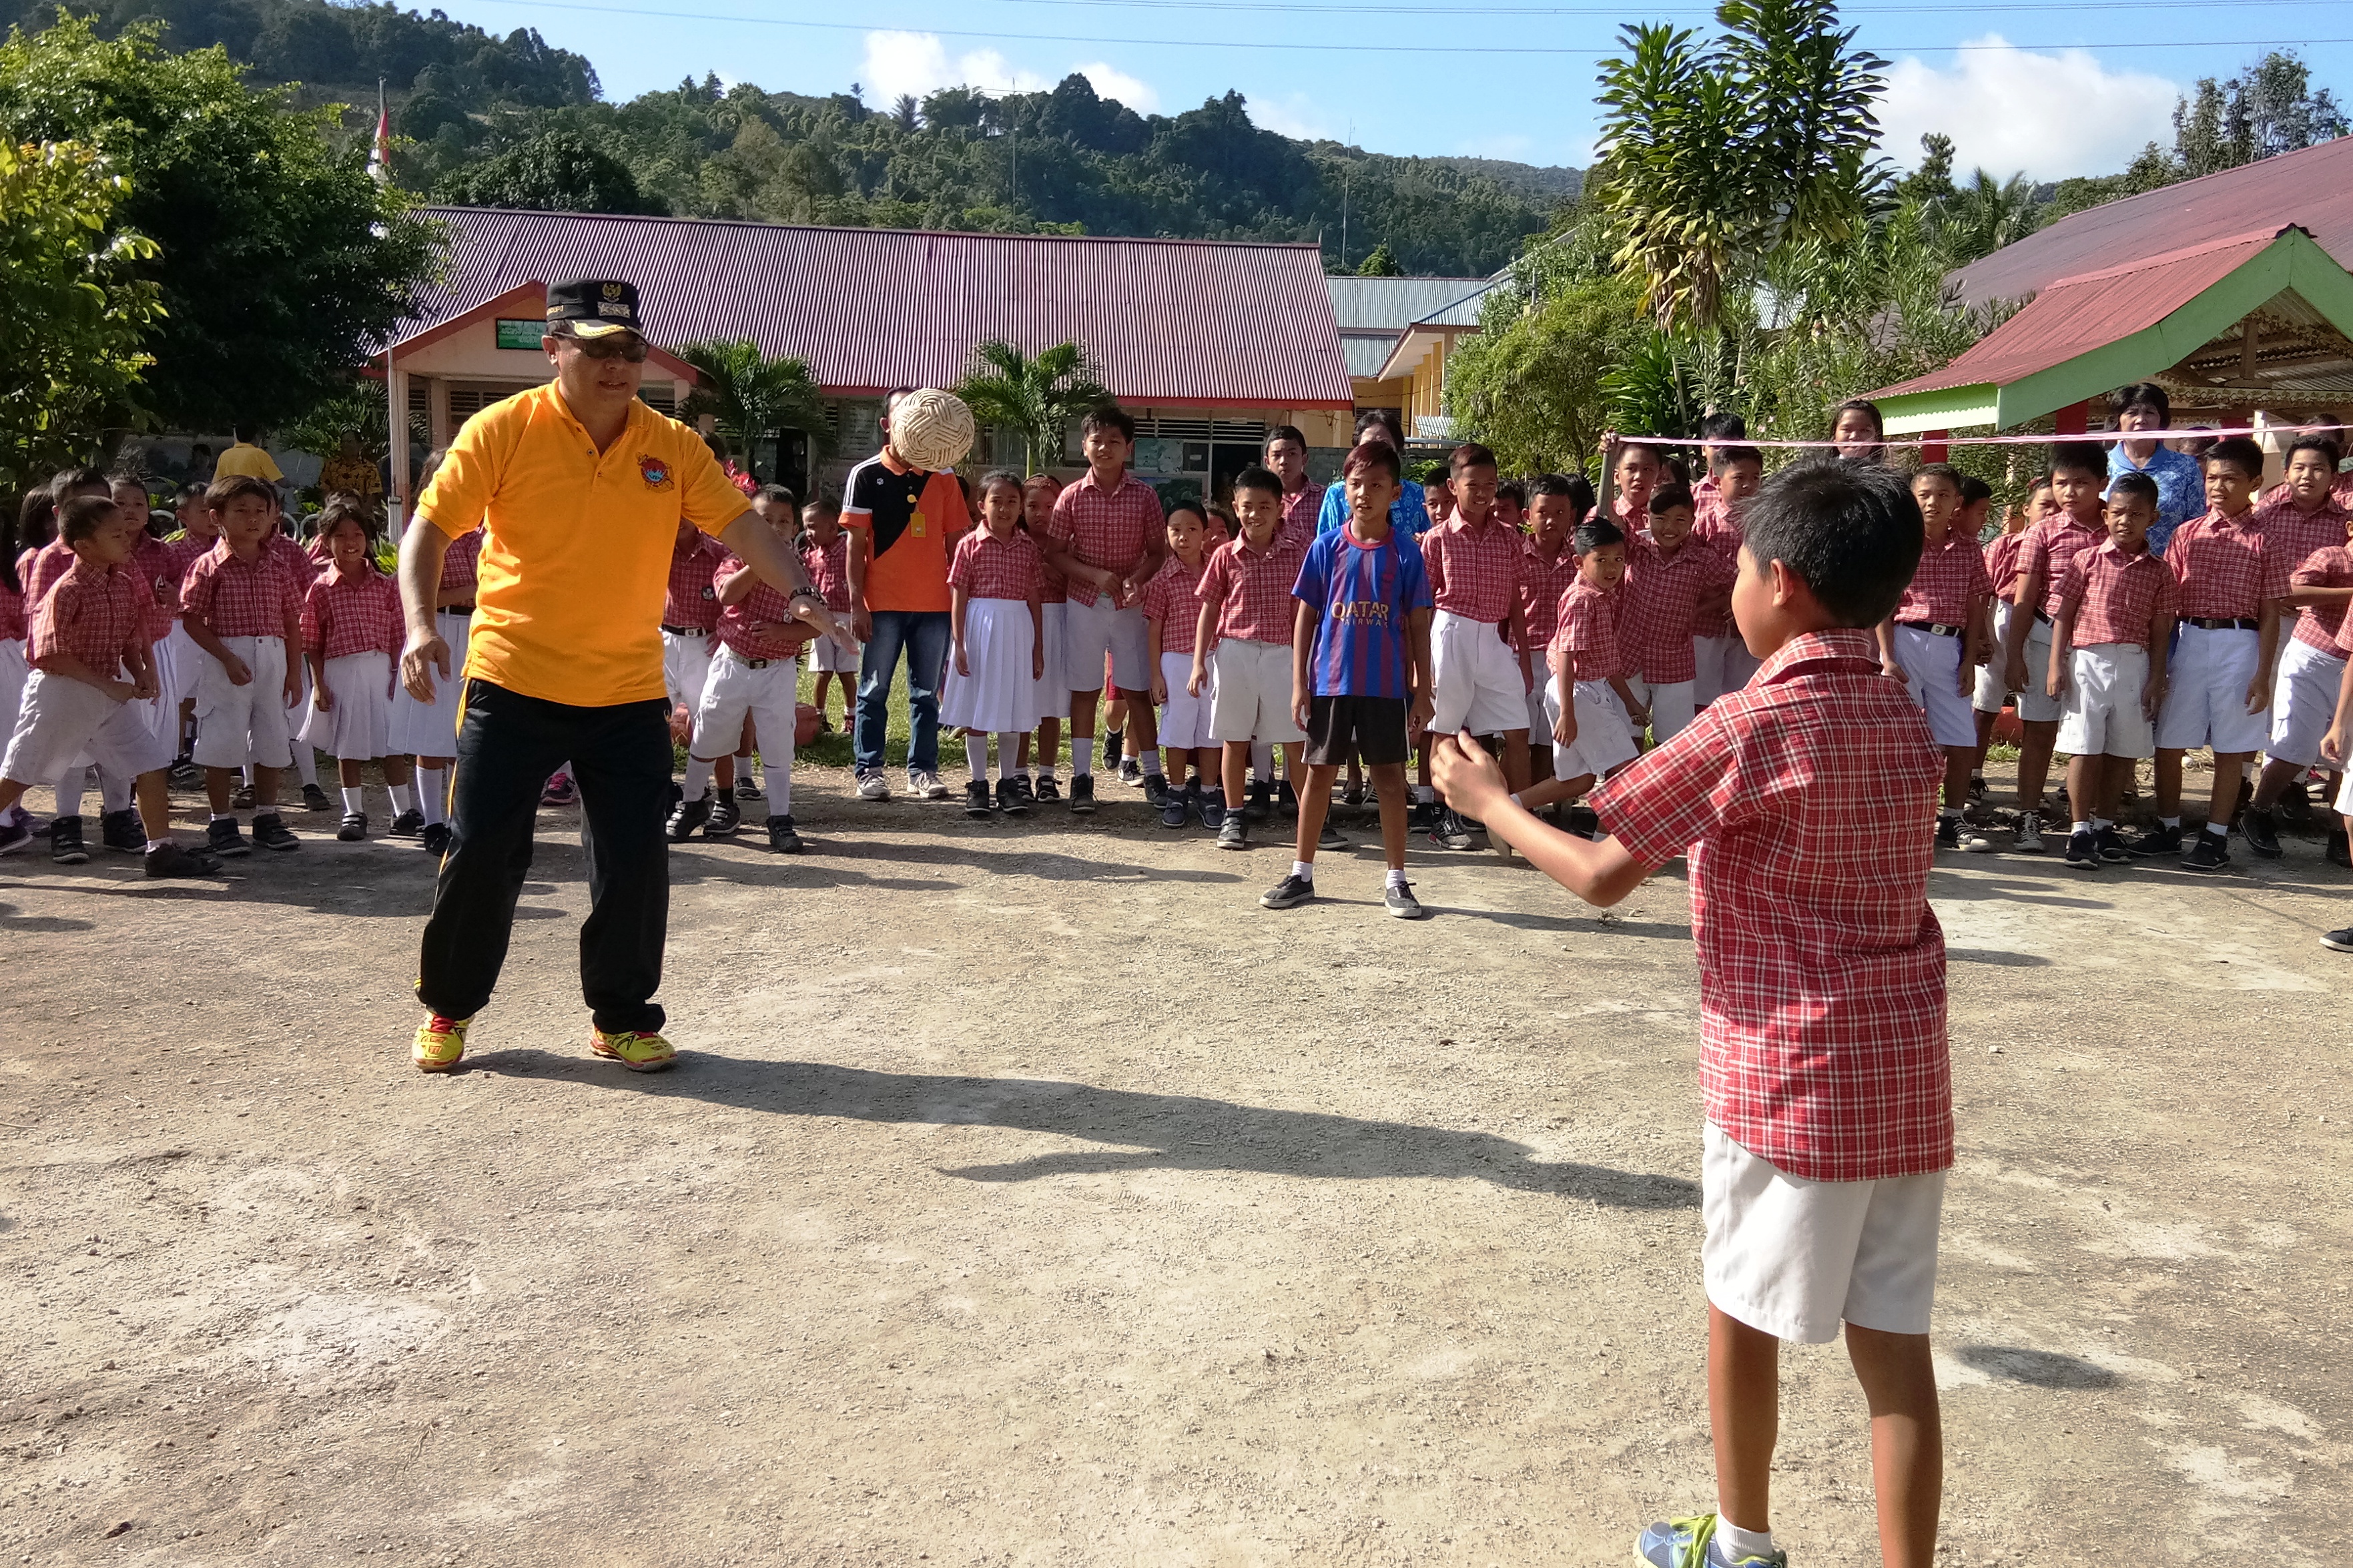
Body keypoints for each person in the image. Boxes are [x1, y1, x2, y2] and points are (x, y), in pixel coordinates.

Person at [1432, 458, 1949, 1568]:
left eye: (1747, 567)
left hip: (1785, 1076)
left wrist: (1488, 804)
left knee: (1740, 1309)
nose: (1735, 589)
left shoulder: (1749, 722)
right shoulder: (1904, 718)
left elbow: (1605, 875)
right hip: (1903, 1080)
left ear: (1787, 585)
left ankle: (1744, 1544)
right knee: (1897, 1354)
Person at [396, 278, 846, 1075]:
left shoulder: (668, 443)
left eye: (630, 351)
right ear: (554, 349)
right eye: (598, 350)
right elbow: (429, 528)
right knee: (484, 851)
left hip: (627, 689)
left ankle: (622, 1016)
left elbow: (739, 524)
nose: (617, 367)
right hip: (513, 677)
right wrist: (423, 626)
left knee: (635, 856)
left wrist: (805, 593)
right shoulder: (503, 430)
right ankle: (449, 1007)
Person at [1260, 440, 1434, 917]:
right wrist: (1299, 683)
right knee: (1318, 777)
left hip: (1385, 687)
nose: (1365, 494)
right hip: (1330, 683)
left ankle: (1397, 879)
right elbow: (1305, 617)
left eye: (1376, 485)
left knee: (1390, 780)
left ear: (1394, 493)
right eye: (1356, 484)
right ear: (1345, 488)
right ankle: (1302, 873)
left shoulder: (1405, 554)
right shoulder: (1326, 545)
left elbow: (1419, 622)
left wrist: (1424, 689)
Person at [0, 494, 216, 875]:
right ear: (84, 545)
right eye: (116, 534)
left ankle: (161, 850)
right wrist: (109, 685)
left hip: (105, 692)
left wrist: (143, 669)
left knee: (150, 763)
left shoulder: (122, 582)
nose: (126, 538)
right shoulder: (67, 591)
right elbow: (49, 656)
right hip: (60, 693)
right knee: (20, 774)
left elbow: (130, 634)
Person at [2143, 436, 2282, 871]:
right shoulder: (2187, 534)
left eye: (2230, 479)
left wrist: (2263, 674)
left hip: (2240, 644)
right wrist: (2160, 665)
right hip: (2190, 640)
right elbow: (2167, 604)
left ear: (2255, 482)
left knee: (2230, 745)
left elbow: (2271, 612)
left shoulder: (2267, 539)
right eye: (2211, 478)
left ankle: (2216, 836)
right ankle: (2167, 827)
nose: (2218, 487)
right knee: (2169, 739)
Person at [844, 388, 971, 804]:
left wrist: (962, 602)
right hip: (882, 605)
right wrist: (857, 605)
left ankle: (923, 771)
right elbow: (854, 547)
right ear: (888, 425)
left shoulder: (946, 476)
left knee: (926, 693)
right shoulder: (865, 475)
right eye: (907, 418)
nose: (920, 429)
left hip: (935, 605)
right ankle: (869, 770)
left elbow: (957, 543)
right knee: (873, 689)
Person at [671, 494, 817, 853]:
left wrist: (784, 632)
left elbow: (815, 621)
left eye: (783, 522)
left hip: (776, 671)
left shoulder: (801, 571)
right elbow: (726, 595)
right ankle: (691, 804)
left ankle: (780, 818)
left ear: (795, 529)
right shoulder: (735, 560)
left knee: (777, 743)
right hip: (731, 664)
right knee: (708, 733)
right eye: (765, 521)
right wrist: (758, 560)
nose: (775, 529)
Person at [2047, 472, 2175, 870]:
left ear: (2152, 519)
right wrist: (2056, 663)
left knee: (2123, 749)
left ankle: (2105, 825)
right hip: (2088, 659)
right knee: (2085, 745)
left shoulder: (2160, 570)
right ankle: (2080, 829)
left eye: (2136, 514)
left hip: (2135, 661)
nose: (2126, 521)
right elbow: (2064, 616)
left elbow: (2161, 628)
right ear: (2105, 515)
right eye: (2118, 512)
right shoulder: (2085, 560)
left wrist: (2157, 676)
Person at [1042, 405, 1165, 815]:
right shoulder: (1070, 497)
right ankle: (1082, 778)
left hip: (1130, 607)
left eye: (1115, 441)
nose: (1105, 448)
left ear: (1128, 448)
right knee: (1085, 690)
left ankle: (1152, 774)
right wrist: (1093, 575)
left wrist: (1137, 580)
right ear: (1084, 446)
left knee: (1136, 689)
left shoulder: (1145, 496)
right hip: (1084, 603)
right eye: (1097, 440)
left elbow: (1157, 552)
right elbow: (1056, 554)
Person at [180, 474, 305, 857]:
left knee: (271, 735)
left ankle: (268, 816)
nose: (253, 519)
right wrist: (227, 657)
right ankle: (221, 821)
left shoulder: (279, 565)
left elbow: (291, 619)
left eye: (260, 511)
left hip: (272, 656)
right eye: (241, 511)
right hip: (228, 657)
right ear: (217, 517)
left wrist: (294, 672)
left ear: (272, 517)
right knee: (222, 738)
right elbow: (190, 619)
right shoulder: (208, 566)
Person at [2245, 435, 2353, 861]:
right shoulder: (2267, 515)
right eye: (2301, 467)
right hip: (2300, 642)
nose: (2309, 476)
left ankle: (2337, 832)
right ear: (2286, 472)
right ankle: (2257, 810)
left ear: (2334, 477)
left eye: (2320, 469)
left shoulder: (2341, 515)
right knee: (2292, 742)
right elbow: (2290, 591)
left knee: (2343, 751)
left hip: (2346, 660)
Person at [1419, 442, 1532, 851]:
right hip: (1452, 632)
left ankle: (1516, 817)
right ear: (1454, 486)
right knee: (1445, 728)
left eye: (1491, 484)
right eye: (1473, 484)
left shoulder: (1508, 538)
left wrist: (1522, 657)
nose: (1483, 492)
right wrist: (1422, 663)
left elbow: (1516, 599)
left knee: (1517, 727)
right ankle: (1443, 816)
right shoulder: (1437, 540)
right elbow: (1423, 603)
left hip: (1494, 637)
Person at [1193, 464, 1310, 851]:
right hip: (1236, 652)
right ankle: (1234, 815)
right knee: (1235, 738)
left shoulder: (1299, 552)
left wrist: (1305, 665)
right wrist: (1199, 661)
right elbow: (1210, 608)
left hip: (1283, 653)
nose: (1255, 514)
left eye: (1265, 506)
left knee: (1295, 739)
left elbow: (1306, 611)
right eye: (1247, 506)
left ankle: (1312, 819)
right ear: (1235, 507)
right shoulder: (1225, 555)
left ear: (1280, 509)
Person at [2001, 444, 2111, 853]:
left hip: (2098, 645)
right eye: (2061, 483)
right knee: (2039, 730)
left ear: (2103, 484)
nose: (2070, 493)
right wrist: (2014, 655)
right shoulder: (2041, 532)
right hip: (2045, 639)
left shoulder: (2116, 527)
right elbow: (2024, 599)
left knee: (2092, 737)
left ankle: (2091, 824)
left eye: (2081, 483)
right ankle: (2028, 816)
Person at [1882, 465, 1992, 851]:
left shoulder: (1968, 549)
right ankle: (1903, 821)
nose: (1933, 502)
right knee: (1903, 737)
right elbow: (1886, 603)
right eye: (1925, 494)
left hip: (1950, 646)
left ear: (1956, 503)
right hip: (1905, 639)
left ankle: (1953, 819)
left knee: (1960, 736)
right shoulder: (1899, 544)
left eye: (1943, 495)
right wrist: (1886, 655)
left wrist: (1968, 658)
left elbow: (1976, 602)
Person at [1511, 515, 1643, 824]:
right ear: (1579, 562)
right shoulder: (1582, 600)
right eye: (1602, 560)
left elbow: (1607, 660)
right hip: (1577, 692)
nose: (1612, 568)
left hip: (1581, 690)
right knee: (1626, 771)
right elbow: (1568, 656)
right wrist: (1568, 714)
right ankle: (1606, 845)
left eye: (1618, 559)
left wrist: (1629, 701)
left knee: (1577, 780)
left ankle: (1509, 809)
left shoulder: (1604, 596)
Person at [298, 504, 416, 842]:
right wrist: (319, 685)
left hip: (380, 668)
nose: (350, 542)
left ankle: (402, 811)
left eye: (358, 535)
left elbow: (397, 632)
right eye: (340, 536)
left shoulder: (385, 585)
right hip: (341, 669)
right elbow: (312, 641)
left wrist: (397, 671)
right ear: (325, 541)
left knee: (391, 741)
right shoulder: (321, 588)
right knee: (347, 743)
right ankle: (353, 812)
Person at [942, 471, 1046, 818]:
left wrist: (1038, 647)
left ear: (1021, 507)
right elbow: (959, 595)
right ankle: (978, 784)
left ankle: (1008, 783)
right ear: (981, 506)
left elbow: (1034, 599)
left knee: (1011, 709)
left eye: (1012, 502)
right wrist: (959, 643)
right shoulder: (968, 545)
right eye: (996, 501)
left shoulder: (1029, 547)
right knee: (980, 706)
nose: (1004, 509)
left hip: (1017, 629)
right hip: (980, 627)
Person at [1623, 484, 1734, 748]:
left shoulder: (1702, 561)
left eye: (1680, 520)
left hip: (1674, 665)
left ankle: (1659, 791)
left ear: (1692, 522)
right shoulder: (1635, 549)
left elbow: (1741, 582)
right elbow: (1605, 519)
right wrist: (1610, 453)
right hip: (1628, 659)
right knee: (1625, 740)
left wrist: (1702, 609)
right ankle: (1629, 790)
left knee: (1672, 745)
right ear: (1647, 519)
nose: (1669, 527)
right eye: (1660, 519)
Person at [1966, 476, 2047, 815]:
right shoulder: (2003, 545)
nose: (2050, 513)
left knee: (2037, 713)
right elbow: (1984, 592)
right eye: (2044, 506)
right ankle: (1973, 775)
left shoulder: (2060, 546)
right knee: (1984, 706)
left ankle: (2029, 792)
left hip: (2043, 624)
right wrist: (1982, 637)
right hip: (2002, 618)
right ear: (2027, 510)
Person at [1141, 502, 1221, 828]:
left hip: (1215, 659)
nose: (1184, 537)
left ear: (1204, 534)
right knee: (1177, 731)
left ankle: (1208, 791)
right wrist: (1155, 674)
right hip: (1175, 661)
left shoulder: (1217, 571)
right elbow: (1154, 628)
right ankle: (1176, 792)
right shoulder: (1162, 579)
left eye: (1192, 529)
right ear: (1166, 534)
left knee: (1211, 731)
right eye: (1176, 530)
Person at [1516, 474, 1591, 748]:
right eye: (1543, 513)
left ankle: (1552, 790)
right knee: (1521, 736)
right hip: (1521, 655)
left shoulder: (1579, 561)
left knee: (1552, 738)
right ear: (1527, 515)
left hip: (1562, 658)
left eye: (1560, 513)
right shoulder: (1515, 556)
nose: (1551, 520)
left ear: (1572, 515)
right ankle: (1518, 790)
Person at [1694, 446, 1765, 704]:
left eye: (1755, 478)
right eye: (1739, 478)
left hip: (1746, 626)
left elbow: (1766, 570)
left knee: (1742, 696)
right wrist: (1724, 600)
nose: (1748, 485)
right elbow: (1692, 570)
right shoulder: (1704, 524)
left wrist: (1739, 603)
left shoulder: (1763, 527)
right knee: (1702, 697)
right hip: (1707, 624)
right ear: (1716, 481)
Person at [2103, 383, 2204, 555]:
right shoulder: (2102, 465)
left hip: (2168, 570)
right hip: (2108, 571)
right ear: (2118, 420)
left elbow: (2196, 526)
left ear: (2161, 421)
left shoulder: (2186, 467)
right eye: (2132, 412)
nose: (2141, 419)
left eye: (2149, 412)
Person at [1016, 472, 1068, 803]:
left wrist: (1056, 571)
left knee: (1051, 704)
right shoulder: (1015, 542)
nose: (1041, 513)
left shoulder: (1068, 544)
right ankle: (1019, 773)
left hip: (1059, 622)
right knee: (1023, 703)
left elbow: (1078, 585)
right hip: (1022, 625)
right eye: (1033, 505)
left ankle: (1046, 775)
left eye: (1050, 506)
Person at [1315, 409, 1429, 538]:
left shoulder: (1417, 495)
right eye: (1367, 447)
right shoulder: (1336, 495)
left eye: (1383, 446)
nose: (1375, 456)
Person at [800, 497, 858, 734]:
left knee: (847, 672)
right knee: (824, 671)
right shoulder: (809, 557)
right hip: (821, 620)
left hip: (847, 618)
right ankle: (819, 718)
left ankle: (852, 718)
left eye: (813, 526)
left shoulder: (849, 551)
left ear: (832, 528)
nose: (808, 533)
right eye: (806, 527)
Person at [1263, 424, 1321, 542]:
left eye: (1291, 454)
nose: (1284, 461)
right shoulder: (1261, 501)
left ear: (1304, 459)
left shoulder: (1325, 498)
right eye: (1277, 455)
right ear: (1267, 462)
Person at [318, 432, 384, 508]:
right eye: (343, 442)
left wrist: (361, 515)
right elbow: (325, 490)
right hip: (334, 509)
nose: (346, 445)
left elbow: (372, 496)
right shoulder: (330, 466)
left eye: (349, 442)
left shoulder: (369, 468)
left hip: (361, 511)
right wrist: (330, 511)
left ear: (359, 445)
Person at [213, 425, 284, 486]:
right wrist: (293, 484)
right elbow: (279, 480)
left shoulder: (225, 455)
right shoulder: (259, 454)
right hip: (255, 498)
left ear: (236, 436)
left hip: (231, 499)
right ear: (256, 437)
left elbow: (216, 482)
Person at [1831, 398, 1887, 465]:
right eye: (1847, 430)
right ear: (1834, 435)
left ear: (1876, 437)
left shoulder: (1885, 475)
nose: (1854, 436)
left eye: (1864, 430)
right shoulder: (1820, 472)